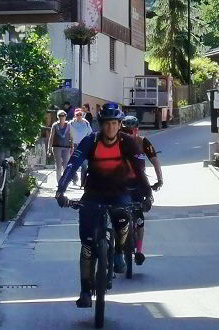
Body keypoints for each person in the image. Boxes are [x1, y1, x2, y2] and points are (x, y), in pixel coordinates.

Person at [56, 103, 152, 309]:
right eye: (107, 124)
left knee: (123, 220)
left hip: (119, 193)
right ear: (101, 125)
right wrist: (61, 190)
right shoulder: (91, 141)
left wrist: (148, 194)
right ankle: (84, 291)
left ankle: (118, 252)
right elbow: (73, 164)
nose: (111, 128)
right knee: (87, 245)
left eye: (115, 124)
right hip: (93, 194)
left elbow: (139, 170)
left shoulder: (127, 142)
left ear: (119, 125)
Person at [120, 114, 162, 265]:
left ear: (137, 130)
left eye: (133, 130)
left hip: (139, 183)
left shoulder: (143, 142)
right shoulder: (116, 142)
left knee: (139, 218)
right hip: (120, 183)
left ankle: (139, 251)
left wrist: (159, 179)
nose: (130, 133)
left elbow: (155, 160)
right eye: (127, 131)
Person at [70, 108, 93, 188]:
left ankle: (83, 183)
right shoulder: (71, 123)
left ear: (82, 115)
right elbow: (68, 134)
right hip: (75, 145)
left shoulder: (86, 123)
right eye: (77, 115)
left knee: (84, 165)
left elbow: (90, 133)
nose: (79, 116)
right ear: (75, 115)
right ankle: (74, 178)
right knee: (73, 164)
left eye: (80, 114)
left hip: (84, 145)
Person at [48, 110, 73, 184]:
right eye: (60, 116)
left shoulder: (69, 125)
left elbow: (71, 137)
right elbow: (51, 137)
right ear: (57, 117)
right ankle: (59, 182)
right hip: (57, 147)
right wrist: (49, 148)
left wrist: (72, 146)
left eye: (63, 115)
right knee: (58, 165)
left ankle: (65, 182)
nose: (62, 117)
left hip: (66, 147)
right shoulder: (55, 125)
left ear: (65, 116)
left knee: (66, 165)